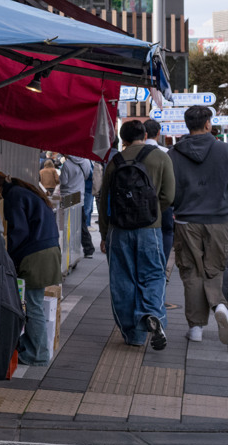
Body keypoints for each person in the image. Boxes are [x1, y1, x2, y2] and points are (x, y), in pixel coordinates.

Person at [97, 119, 174, 350]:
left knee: (122, 280)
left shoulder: (114, 162)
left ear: (123, 140)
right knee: (153, 274)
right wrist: (151, 213)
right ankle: (151, 314)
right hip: (150, 229)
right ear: (145, 134)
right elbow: (169, 196)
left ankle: (133, 336)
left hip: (119, 231)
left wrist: (104, 234)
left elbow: (104, 203)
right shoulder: (161, 157)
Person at [0, 169, 62, 365]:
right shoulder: (21, 191)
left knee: (33, 304)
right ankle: (35, 348)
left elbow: (17, 233)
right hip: (48, 251)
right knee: (34, 303)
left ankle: (38, 354)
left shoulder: (13, 197)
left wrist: (6, 258)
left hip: (35, 255)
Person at [168, 105, 228, 344]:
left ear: (186, 124)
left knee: (191, 272)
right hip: (219, 220)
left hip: (186, 220)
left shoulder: (173, 154)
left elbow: (168, 191)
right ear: (207, 124)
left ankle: (195, 329)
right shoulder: (224, 151)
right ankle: (220, 305)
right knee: (215, 267)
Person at [144, 118, 175, 267]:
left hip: (139, 203)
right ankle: (162, 263)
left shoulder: (135, 152)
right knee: (167, 231)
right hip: (163, 202)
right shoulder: (166, 153)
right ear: (158, 133)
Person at [59, 154, 97, 258]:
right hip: (80, 196)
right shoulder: (86, 161)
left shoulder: (67, 164)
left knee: (67, 224)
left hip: (68, 196)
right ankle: (88, 248)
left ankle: (69, 248)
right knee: (81, 223)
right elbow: (87, 176)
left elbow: (64, 181)